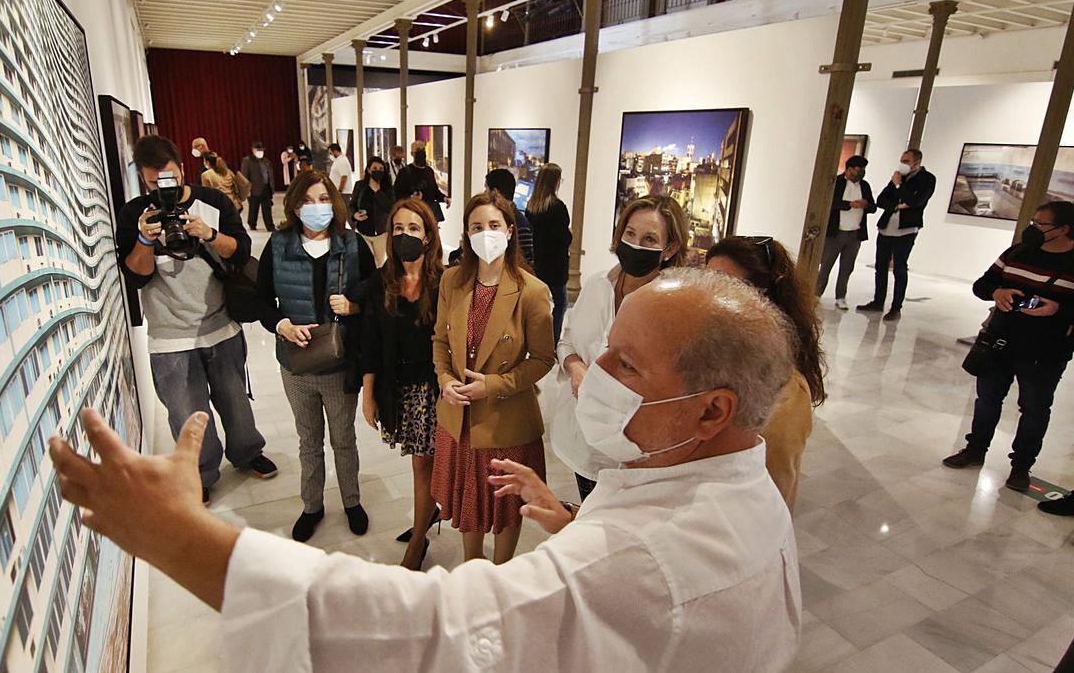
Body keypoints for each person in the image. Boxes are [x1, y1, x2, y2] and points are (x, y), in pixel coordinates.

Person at [49, 268, 802, 672]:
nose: (589, 371)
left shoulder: (646, 559)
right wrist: (574, 520)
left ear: (711, 410)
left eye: (624, 364)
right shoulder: (743, 483)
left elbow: (439, 628)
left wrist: (176, 533)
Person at [115, 135, 276, 506]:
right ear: (142, 178)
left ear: (182, 169)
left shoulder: (214, 202)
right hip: (169, 337)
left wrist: (208, 234)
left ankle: (247, 452)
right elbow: (135, 275)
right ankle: (201, 473)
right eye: (154, 183)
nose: (162, 189)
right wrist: (143, 238)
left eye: (168, 179)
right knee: (187, 415)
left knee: (236, 402)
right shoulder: (133, 214)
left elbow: (241, 253)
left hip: (220, 325)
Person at [432, 192, 555, 565]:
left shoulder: (532, 291)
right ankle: (471, 570)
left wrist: (493, 385)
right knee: (466, 502)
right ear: (467, 235)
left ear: (510, 230)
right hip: (460, 419)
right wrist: (444, 380)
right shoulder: (452, 281)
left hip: (507, 423)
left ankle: (501, 575)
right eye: (476, 227)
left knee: (504, 508)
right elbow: (439, 340)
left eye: (494, 225)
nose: (485, 233)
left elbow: (543, 359)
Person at [552, 195, 689, 501]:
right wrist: (575, 367)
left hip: (631, 451)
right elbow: (568, 339)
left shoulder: (674, 308)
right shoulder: (596, 284)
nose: (636, 244)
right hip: (582, 437)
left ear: (670, 248)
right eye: (630, 234)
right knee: (588, 505)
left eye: (649, 238)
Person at [256, 170, 367, 542]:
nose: (316, 207)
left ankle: (352, 501)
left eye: (323, 199)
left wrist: (353, 306)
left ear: (335, 203)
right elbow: (261, 300)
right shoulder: (278, 244)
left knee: (344, 438)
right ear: (294, 205)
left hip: (339, 362)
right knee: (308, 440)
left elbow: (375, 296)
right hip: (297, 363)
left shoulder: (352, 244)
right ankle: (312, 505)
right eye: (307, 200)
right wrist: (280, 324)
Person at [942, 201, 1074, 492]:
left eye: (1041, 224)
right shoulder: (1017, 252)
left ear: (1063, 229)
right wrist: (997, 291)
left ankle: (1021, 466)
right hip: (1001, 341)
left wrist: (1058, 310)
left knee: (1035, 409)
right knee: (987, 399)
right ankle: (975, 449)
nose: (1033, 228)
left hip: (1045, 351)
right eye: (1033, 221)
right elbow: (981, 285)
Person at [706, 236, 826, 511]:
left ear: (763, 296)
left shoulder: (785, 394)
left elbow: (771, 494)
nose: (711, 297)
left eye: (727, 286)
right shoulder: (720, 350)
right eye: (708, 282)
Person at [360, 198, 445, 569]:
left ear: (428, 236)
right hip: (401, 390)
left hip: (437, 389)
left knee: (427, 464)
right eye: (397, 229)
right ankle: (425, 519)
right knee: (421, 463)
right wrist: (369, 394)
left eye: (413, 228)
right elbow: (371, 343)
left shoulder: (446, 282)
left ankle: (418, 536)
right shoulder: (383, 282)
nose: (404, 235)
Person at [857, 148, 936, 321]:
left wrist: (900, 187)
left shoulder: (927, 179)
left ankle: (896, 307)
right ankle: (878, 301)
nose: (903, 164)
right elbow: (881, 200)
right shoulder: (898, 176)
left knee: (899, 267)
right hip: (887, 227)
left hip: (906, 229)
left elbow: (916, 201)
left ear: (917, 162)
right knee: (881, 266)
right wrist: (899, 203)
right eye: (902, 160)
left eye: (906, 161)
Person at [817, 155, 876, 310]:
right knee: (826, 265)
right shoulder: (836, 183)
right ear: (849, 169)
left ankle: (841, 296)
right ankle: (815, 295)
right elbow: (829, 202)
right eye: (858, 170)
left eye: (863, 170)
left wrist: (865, 204)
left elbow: (873, 206)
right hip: (836, 232)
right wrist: (849, 204)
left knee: (847, 267)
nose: (860, 173)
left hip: (855, 233)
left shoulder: (865, 186)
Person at [526, 163, 572, 343]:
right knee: (560, 304)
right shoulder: (558, 207)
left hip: (537, 263)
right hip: (555, 265)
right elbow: (563, 239)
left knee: (536, 305)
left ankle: (533, 339)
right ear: (555, 182)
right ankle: (551, 342)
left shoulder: (531, 206)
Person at [349, 156, 394, 268]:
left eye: (381, 168)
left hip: (381, 233)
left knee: (379, 264)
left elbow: (390, 207)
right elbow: (352, 205)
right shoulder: (360, 186)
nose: (377, 171)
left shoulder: (388, 188)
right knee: (366, 263)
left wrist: (377, 191)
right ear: (369, 170)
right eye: (374, 168)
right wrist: (354, 215)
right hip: (363, 231)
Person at [393, 140, 450, 225]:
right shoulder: (404, 172)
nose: (421, 152)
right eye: (418, 150)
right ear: (412, 154)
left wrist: (444, 198)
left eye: (423, 149)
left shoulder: (429, 171)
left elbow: (434, 191)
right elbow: (397, 195)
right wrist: (411, 198)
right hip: (413, 215)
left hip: (430, 215)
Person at [485, 168, 534, 265]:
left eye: (486, 188)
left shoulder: (520, 224)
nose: (484, 193)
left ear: (495, 192)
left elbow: (524, 263)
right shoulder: (500, 217)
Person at [200, 152, 250, 217]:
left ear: (207, 162)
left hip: (222, 207)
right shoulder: (228, 171)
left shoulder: (205, 175)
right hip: (236, 205)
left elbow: (207, 194)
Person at [240, 141, 276, 231]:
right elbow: (244, 176)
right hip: (254, 189)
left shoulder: (266, 161)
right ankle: (252, 224)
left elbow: (270, 175)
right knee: (253, 209)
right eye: (258, 150)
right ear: (253, 150)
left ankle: (270, 226)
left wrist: (271, 187)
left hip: (266, 188)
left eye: (261, 150)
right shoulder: (247, 161)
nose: (260, 152)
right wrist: (247, 190)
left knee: (267, 209)